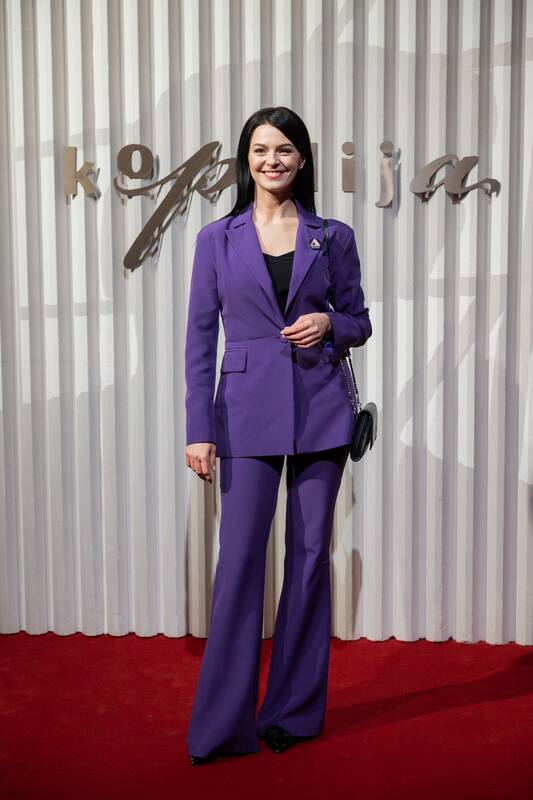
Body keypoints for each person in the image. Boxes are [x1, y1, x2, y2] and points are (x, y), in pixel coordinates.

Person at [184, 106, 372, 765]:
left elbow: (359, 320)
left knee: (310, 557)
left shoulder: (333, 235)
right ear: (246, 159)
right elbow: (199, 343)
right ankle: (221, 727)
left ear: (302, 159)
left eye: (285, 150)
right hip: (242, 415)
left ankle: (291, 712)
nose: (273, 160)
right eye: (261, 149)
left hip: (321, 412)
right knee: (239, 564)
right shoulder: (216, 239)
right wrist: (199, 430)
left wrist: (329, 323)